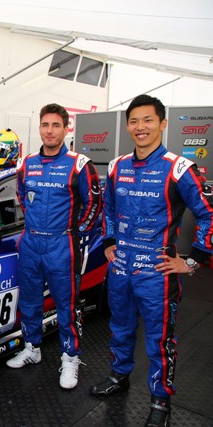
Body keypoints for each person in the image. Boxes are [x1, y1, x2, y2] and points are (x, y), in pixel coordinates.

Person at [89, 95, 213, 426]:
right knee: (120, 328)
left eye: (148, 120)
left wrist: (192, 262)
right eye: (134, 121)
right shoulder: (117, 166)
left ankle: (160, 400)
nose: (140, 127)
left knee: (160, 340)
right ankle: (119, 376)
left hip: (157, 273)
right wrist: (110, 241)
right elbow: (109, 209)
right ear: (127, 126)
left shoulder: (179, 168)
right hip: (121, 268)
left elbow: (208, 214)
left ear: (163, 123)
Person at [7, 103, 102, 390]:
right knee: (29, 300)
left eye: (55, 125)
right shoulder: (27, 163)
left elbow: (94, 203)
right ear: (39, 128)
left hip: (62, 243)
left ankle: (70, 357)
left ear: (65, 128)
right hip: (31, 241)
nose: (49, 131)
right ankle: (32, 348)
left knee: (66, 305)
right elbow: (22, 196)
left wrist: (76, 231)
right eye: (45, 125)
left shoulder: (79, 164)